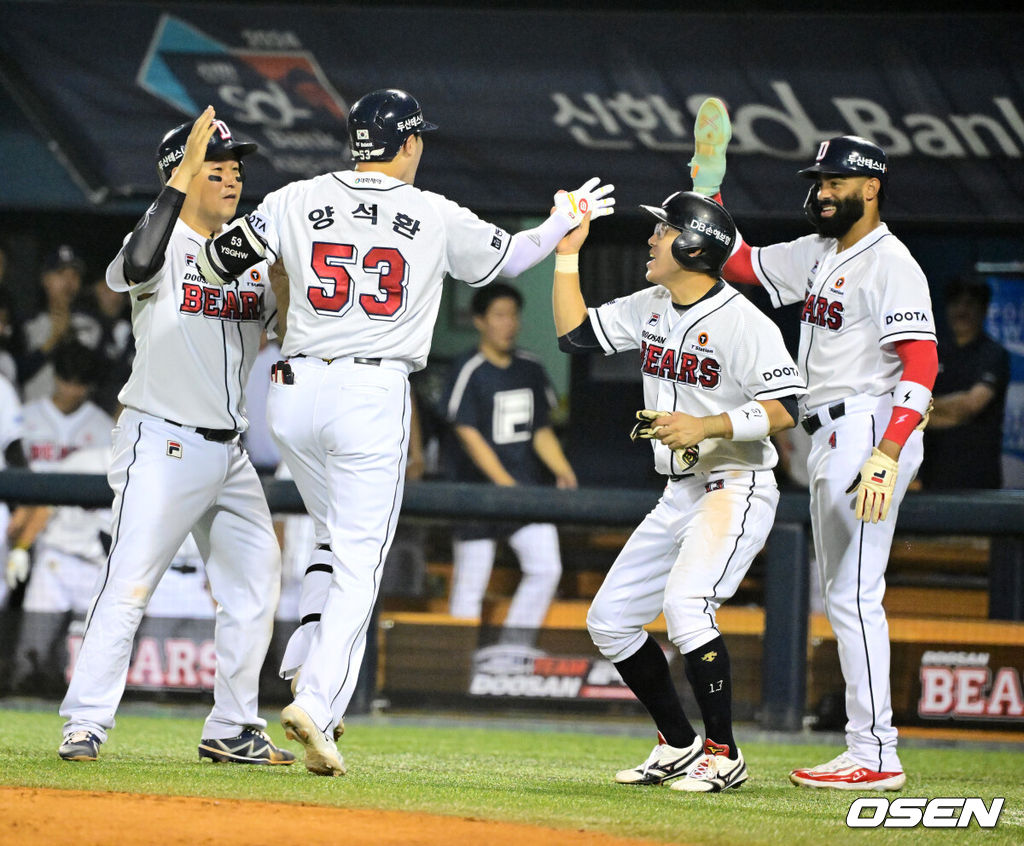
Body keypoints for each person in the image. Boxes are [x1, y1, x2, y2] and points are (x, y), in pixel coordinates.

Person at [195, 87, 615, 775]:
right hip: (369, 388)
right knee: (361, 557)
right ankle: (321, 702)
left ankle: (304, 651)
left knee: (332, 534)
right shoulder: (429, 211)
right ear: (410, 143)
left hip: (294, 390)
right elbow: (509, 258)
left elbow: (219, 263)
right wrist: (561, 220)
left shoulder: (296, 197)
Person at [56, 107, 293, 767]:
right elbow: (134, 262)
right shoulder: (162, 244)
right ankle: (84, 722)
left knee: (256, 579)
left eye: (236, 168)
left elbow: (288, 336)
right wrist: (183, 174)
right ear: (183, 173)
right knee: (129, 582)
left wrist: (284, 284)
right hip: (161, 441)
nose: (233, 178)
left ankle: (233, 724)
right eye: (216, 167)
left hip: (231, 452)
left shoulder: (248, 256)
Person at [708, 109, 938, 788]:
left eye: (836, 179)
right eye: (819, 179)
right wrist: (712, 184)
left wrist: (890, 450)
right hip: (826, 433)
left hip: (869, 427)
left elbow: (921, 365)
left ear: (872, 187)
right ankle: (866, 747)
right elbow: (738, 260)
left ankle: (876, 754)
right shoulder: (818, 251)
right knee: (844, 593)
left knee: (855, 596)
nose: (823, 190)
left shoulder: (891, 262)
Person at [552, 191, 805, 792]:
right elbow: (574, 336)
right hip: (679, 491)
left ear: (693, 247)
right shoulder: (654, 304)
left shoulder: (744, 322)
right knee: (611, 621)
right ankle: (680, 743)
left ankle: (725, 753)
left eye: (662, 231)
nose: (651, 238)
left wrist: (708, 425)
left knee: (689, 607)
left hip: (735, 485)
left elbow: (785, 408)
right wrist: (567, 256)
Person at [442, 283, 575, 647]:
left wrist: (562, 469)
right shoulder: (468, 368)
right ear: (480, 321)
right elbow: (466, 431)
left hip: (526, 489)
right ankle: (457, 667)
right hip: (478, 494)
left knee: (546, 568)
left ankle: (512, 653)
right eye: (499, 315)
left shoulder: (530, 367)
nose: (509, 324)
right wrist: (505, 485)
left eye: (513, 315)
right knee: (471, 580)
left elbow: (541, 429)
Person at [920, 275, 1009, 489]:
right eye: (956, 303)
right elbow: (910, 414)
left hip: (979, 479)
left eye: (970, 304)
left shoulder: (994, 354)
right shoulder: (932, 353)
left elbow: (969, 405)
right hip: (934, 476)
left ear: (984, 310)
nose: (962, 310)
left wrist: (924, 410)